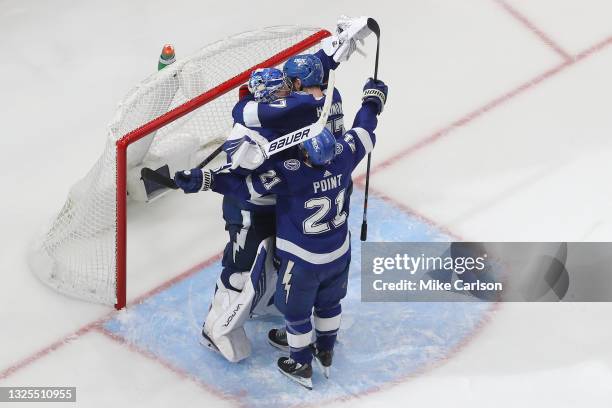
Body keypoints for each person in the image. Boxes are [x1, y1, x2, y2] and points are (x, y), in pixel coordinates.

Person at [175, 77, 388, 389]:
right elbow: (364, 131)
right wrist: (372, 101)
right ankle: (326, 349)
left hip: (303, 262)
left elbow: (243, 187)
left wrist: (205, 179)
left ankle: (300, 363)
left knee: (297, 314)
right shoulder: (343, 155)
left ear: (305, 154)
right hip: (340, 253)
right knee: (329, 304)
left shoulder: (292, 172)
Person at [187, 15, 373, 363]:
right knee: (242, 269)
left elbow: (312, 75)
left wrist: (333, 49)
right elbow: (242, 181)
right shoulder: (250, 131)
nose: (287, 92)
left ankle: (287, 316)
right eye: (281, 92)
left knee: (280, 265)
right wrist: (206, 180)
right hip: (251, 206)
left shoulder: (304, 103)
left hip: (289, 199)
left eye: (290, 87)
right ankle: (215, 328)